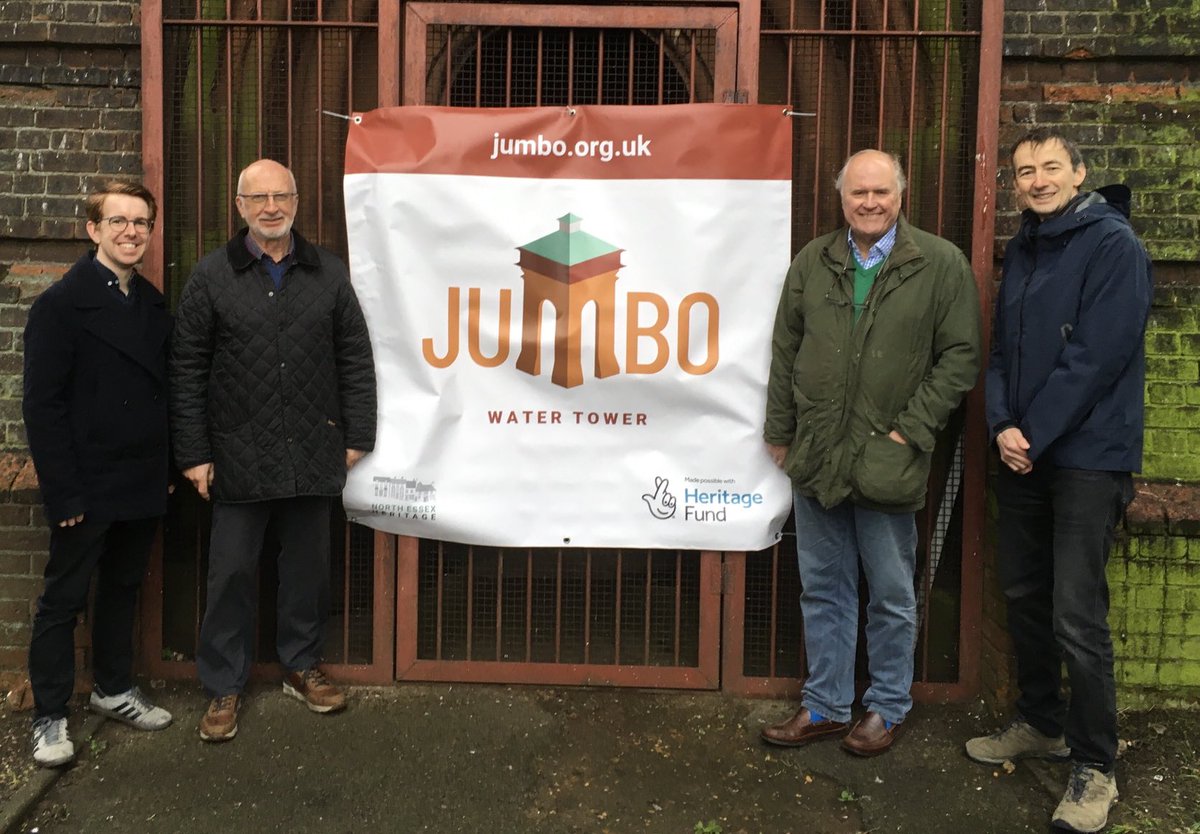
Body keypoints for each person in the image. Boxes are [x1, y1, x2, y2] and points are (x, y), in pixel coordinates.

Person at [760, 150, 981, 757]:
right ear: (841, 198)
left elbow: (960, 357)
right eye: (858, 192)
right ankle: (827, 705)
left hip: (888, 455)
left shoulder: (939, 264)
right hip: (818, 454)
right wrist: (780, 430)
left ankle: (886, 705)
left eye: (881, 191)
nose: (870, 202)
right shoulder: (815, 261)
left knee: (890, 590)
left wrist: (911, 431)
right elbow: (786, 351)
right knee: (823, 586)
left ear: (901, 195)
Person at [966, 128, 1151, 833]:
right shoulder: (1025, 249)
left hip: (1088, 458)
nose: (1036, 180)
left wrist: (1031, 434)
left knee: (1078, 614)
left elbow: (1097, 357)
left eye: (1049, 168)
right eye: (1023, 172)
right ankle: (1042, 723)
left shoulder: (1114, 247)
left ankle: (1095, 766)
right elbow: (1003, 353)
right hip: (1025, 452)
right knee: (1023, 592)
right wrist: (1003, 426)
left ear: (1079, 173)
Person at [170, 159, 377, 743]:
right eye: (257, 197)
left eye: (280, 195)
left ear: (296, 202)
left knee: (308, 570)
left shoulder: (328, 274)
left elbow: (355, 360)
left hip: (314, 448)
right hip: (237, 453)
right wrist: (193, 453)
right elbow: (186, 368)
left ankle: (301, 666)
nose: (270, 206)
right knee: (231, 573)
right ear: (239, 207)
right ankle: (223, 687)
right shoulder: (211, 277)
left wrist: (357, 436)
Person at [22, 181, 174, 767]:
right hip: (84, 484)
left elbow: (158, 395)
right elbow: (43, 406)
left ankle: (113, 690)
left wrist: (161, 468)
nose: (131, 232)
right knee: (63, 600)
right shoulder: (61, 305)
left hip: (138, 478)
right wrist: (63, 490)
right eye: (118, 222)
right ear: (93, 230)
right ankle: (50, 716)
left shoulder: (153, 303)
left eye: (140, 222)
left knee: (122, 589)